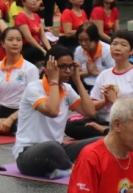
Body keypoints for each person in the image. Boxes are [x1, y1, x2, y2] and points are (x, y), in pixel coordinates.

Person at [13, 47, 98, 178]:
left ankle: (66, 168)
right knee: (52, 147)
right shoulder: (34, 88)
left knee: (101, 141)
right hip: (28, 154)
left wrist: (77, 81)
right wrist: (53, 80)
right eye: (62, 67)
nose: (68, 71)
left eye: (70, 66)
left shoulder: (66, 88)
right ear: (48, 68)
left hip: (58, 150)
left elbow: (90, 111)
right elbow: (52, 111)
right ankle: (76, 169)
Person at [67, 30, 133, 140]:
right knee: (70, 127)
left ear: (131, 51)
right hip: (106, 120)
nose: (117, 48)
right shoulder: (104, 74)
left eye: (123, 45)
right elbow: (91, 106)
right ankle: (108, 132)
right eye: (114, 44)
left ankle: (106, 132)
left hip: (129, 123)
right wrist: (104, 101)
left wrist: (115, 100)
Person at [0, 28, 39, 134]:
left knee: (22, 126)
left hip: (21, 113)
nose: (15, 43)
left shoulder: (31, 69)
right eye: (10, 39)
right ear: (3, 43)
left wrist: (10, 119)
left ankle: (3, 127)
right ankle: (0, 125)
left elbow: (33, 101)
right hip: (0, 111)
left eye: (18, 40)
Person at [74, 22, 114, 89]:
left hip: (105, 85)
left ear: (95, 38)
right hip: (84, 85)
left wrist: (97, 73)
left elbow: (115, 74)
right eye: (80, 40)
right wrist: (88, 72)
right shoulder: (78, 50)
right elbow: (75, 74)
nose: (83, 43)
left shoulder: (108, 51)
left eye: (86, 40)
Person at [15, 0, 48, 64]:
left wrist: (49, 49)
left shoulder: (36, 16)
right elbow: (28, 38)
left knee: (55, 50)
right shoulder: (21, 17)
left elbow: (42, 35)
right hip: (26, 47)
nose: (34, 0)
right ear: (23, 2)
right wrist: (42, 50)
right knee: (38, 52)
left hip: (36, 45)